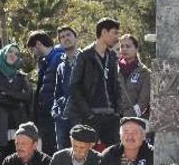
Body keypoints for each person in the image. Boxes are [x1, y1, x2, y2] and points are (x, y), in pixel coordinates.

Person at [65, 18, 129, 147]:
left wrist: (118, 112)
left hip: (111, 117)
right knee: (88, 155)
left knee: (114, 155)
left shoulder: (111, 56)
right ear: (104, 32)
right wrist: (88, 113)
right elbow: (74, 86)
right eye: (114, 33)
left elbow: (116, 85)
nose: (117, 38)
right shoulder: (84, 56)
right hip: (90, 116)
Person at [0, 44, 32, 155]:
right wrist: (17, 101)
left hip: (18, 124)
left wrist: (7, 92)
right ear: (4, 53)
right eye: (10, 52)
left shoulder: (22, 76)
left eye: (16, 54)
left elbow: (27, 97)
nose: (12, 55)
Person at [26, 30, 64, 155]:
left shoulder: (57, 58)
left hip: (53, 114)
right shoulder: (47, 61)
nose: (33, 53)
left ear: (38, 44)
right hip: (47, 114)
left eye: (32, 49)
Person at [52, 26, 80, 150]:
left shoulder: (87, 61)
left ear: (76, 38)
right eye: (62, 37)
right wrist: (55, 111)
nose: (65, 39)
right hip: (63, 118)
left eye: (68, 35)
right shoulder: (61, 67)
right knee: (63, 155)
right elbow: (57, 93)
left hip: (81, 117)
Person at [118, 34, 151, 119]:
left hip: (134, 120)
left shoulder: (145, 73)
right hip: (113, 119)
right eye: (122, 46)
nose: (124, 49)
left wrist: (127, 117)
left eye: (128, 46)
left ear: (136, 49)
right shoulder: (113, 70)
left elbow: (143, 102)